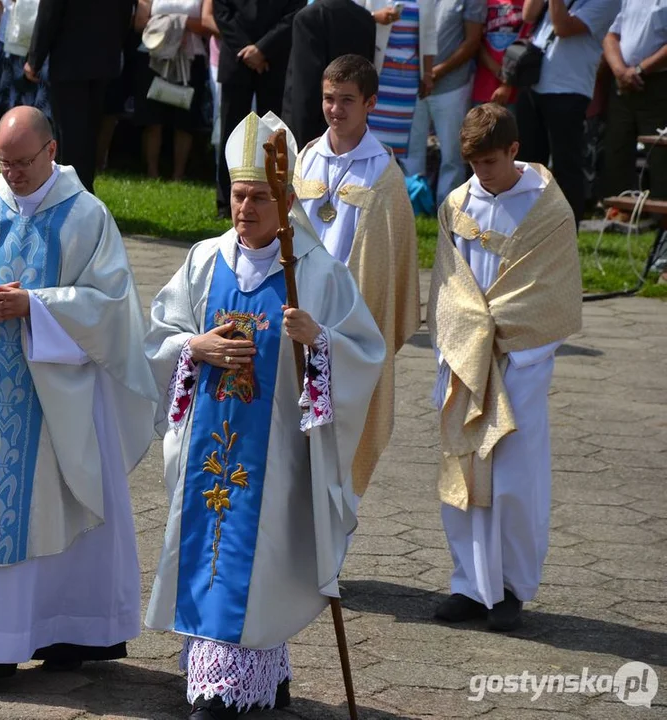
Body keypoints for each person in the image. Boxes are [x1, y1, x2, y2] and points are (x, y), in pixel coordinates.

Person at [145, 110, 386, 720]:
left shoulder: (316, 273)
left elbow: (367, 354)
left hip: (277, 456)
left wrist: (320, 339)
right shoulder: (204, 260)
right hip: (207, 451)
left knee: (262, 563)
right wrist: (192, 347)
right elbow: (158, 337)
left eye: (257, 197)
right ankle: (227, 682)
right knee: (212, 554)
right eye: (237, 195)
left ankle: (238, 684)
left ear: (283, 200)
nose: (243, 209)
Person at [0, 106, 158, 681]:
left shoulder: (87, 215)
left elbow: (112, 310)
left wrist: (36, 306)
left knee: (60, 501)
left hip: (61, 394)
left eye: (22, 163)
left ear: (51, 151)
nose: (11, 175)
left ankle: (69, 629)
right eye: (2, 162)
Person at [428, 105, 582, 631]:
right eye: (473, 163)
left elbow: (553, 293)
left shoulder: (549, 209)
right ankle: (469, 585)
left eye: (490, 162)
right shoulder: (457, 201)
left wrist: (513, 351)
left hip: (520, 360)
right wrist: (456, 346)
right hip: (466, 359)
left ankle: (512, 589)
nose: (481, 174)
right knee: (463, 470)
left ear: (515, 151)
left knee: (515, 479)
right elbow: (448, 282)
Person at [292, 54, 420, 501]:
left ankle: (331, 551)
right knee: (290, 436)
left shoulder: (384, 174)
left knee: (339, 435)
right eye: (329, 98)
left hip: (344, 323)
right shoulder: (304, 157)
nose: (335, 110)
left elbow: (392, 261)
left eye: (347, 100)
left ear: (370, 103)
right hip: (296, 311)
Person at [515, 0, 621, 223]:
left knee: (566, 168)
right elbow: (528, 14)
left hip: (569, 90)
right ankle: (524, 227)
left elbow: (563, 27)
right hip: (534, 85)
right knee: (527, 166)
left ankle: (566, 231)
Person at [24, 0, 135, 193]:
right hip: (103, 59)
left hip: (70, 58)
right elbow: (126, 12)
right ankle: (83, 191)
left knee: (69, 135)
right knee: (89, 134)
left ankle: (68, 195)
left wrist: (35, 59)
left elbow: (50, 12)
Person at [213, 0, 304, 217]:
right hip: (237, 60)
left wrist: (262, 49)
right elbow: (222, 14)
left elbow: (293, 14)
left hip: (273, 62)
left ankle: (272, 195)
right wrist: (247, 51)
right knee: (230, 131)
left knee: (272, 134)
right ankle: (226, 200)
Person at [405, 0, 485, 207]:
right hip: (414, 83)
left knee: (453, 155)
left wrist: (434, 73)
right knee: (411, 153)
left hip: (453, 85)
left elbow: (472, 42)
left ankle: (449, 209)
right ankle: (412, 206)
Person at [133, 0, 218, 182]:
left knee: (184, 120)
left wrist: (179, 21)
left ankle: (178, 175)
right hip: (153, 56)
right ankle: (152, 172)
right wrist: (173, 24)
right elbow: (140, 22)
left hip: (191, 57)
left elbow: (206, 23)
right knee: (152, 118)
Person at [600, 0, 667, 204]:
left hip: (658, 83)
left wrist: (640, 70)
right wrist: (620, 70)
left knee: (659, 151)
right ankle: (618, 210)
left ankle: (661, 215)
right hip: (621, 82)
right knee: (616, 146)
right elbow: (611, 35)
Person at [282, 0, 376, 145]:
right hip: (355, 129)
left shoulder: (308, 17)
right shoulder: (365, 18)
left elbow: (304, 86)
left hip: (315, 133)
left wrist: (297, 141)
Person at [355, 0, 437, 159]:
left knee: (404, 146)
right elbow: (350, 17)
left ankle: (399, 180)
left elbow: (429, 35)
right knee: (371, 142)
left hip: (408, 80)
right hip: (377, 77)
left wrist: (427, 73)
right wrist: (374, 17)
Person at [0, 0, 52, 144]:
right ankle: (4, 143)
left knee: (36, 104)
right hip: (10, 45)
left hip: (39, 46)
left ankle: (34, 146)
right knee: (8, 101)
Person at [471, 0, 525, 109]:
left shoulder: (529, 4)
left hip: (514, 91)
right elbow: (476, 41)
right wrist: (500, 73)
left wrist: (507, 84)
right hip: (483, 86)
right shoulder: (484, 2)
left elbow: (526, 43)